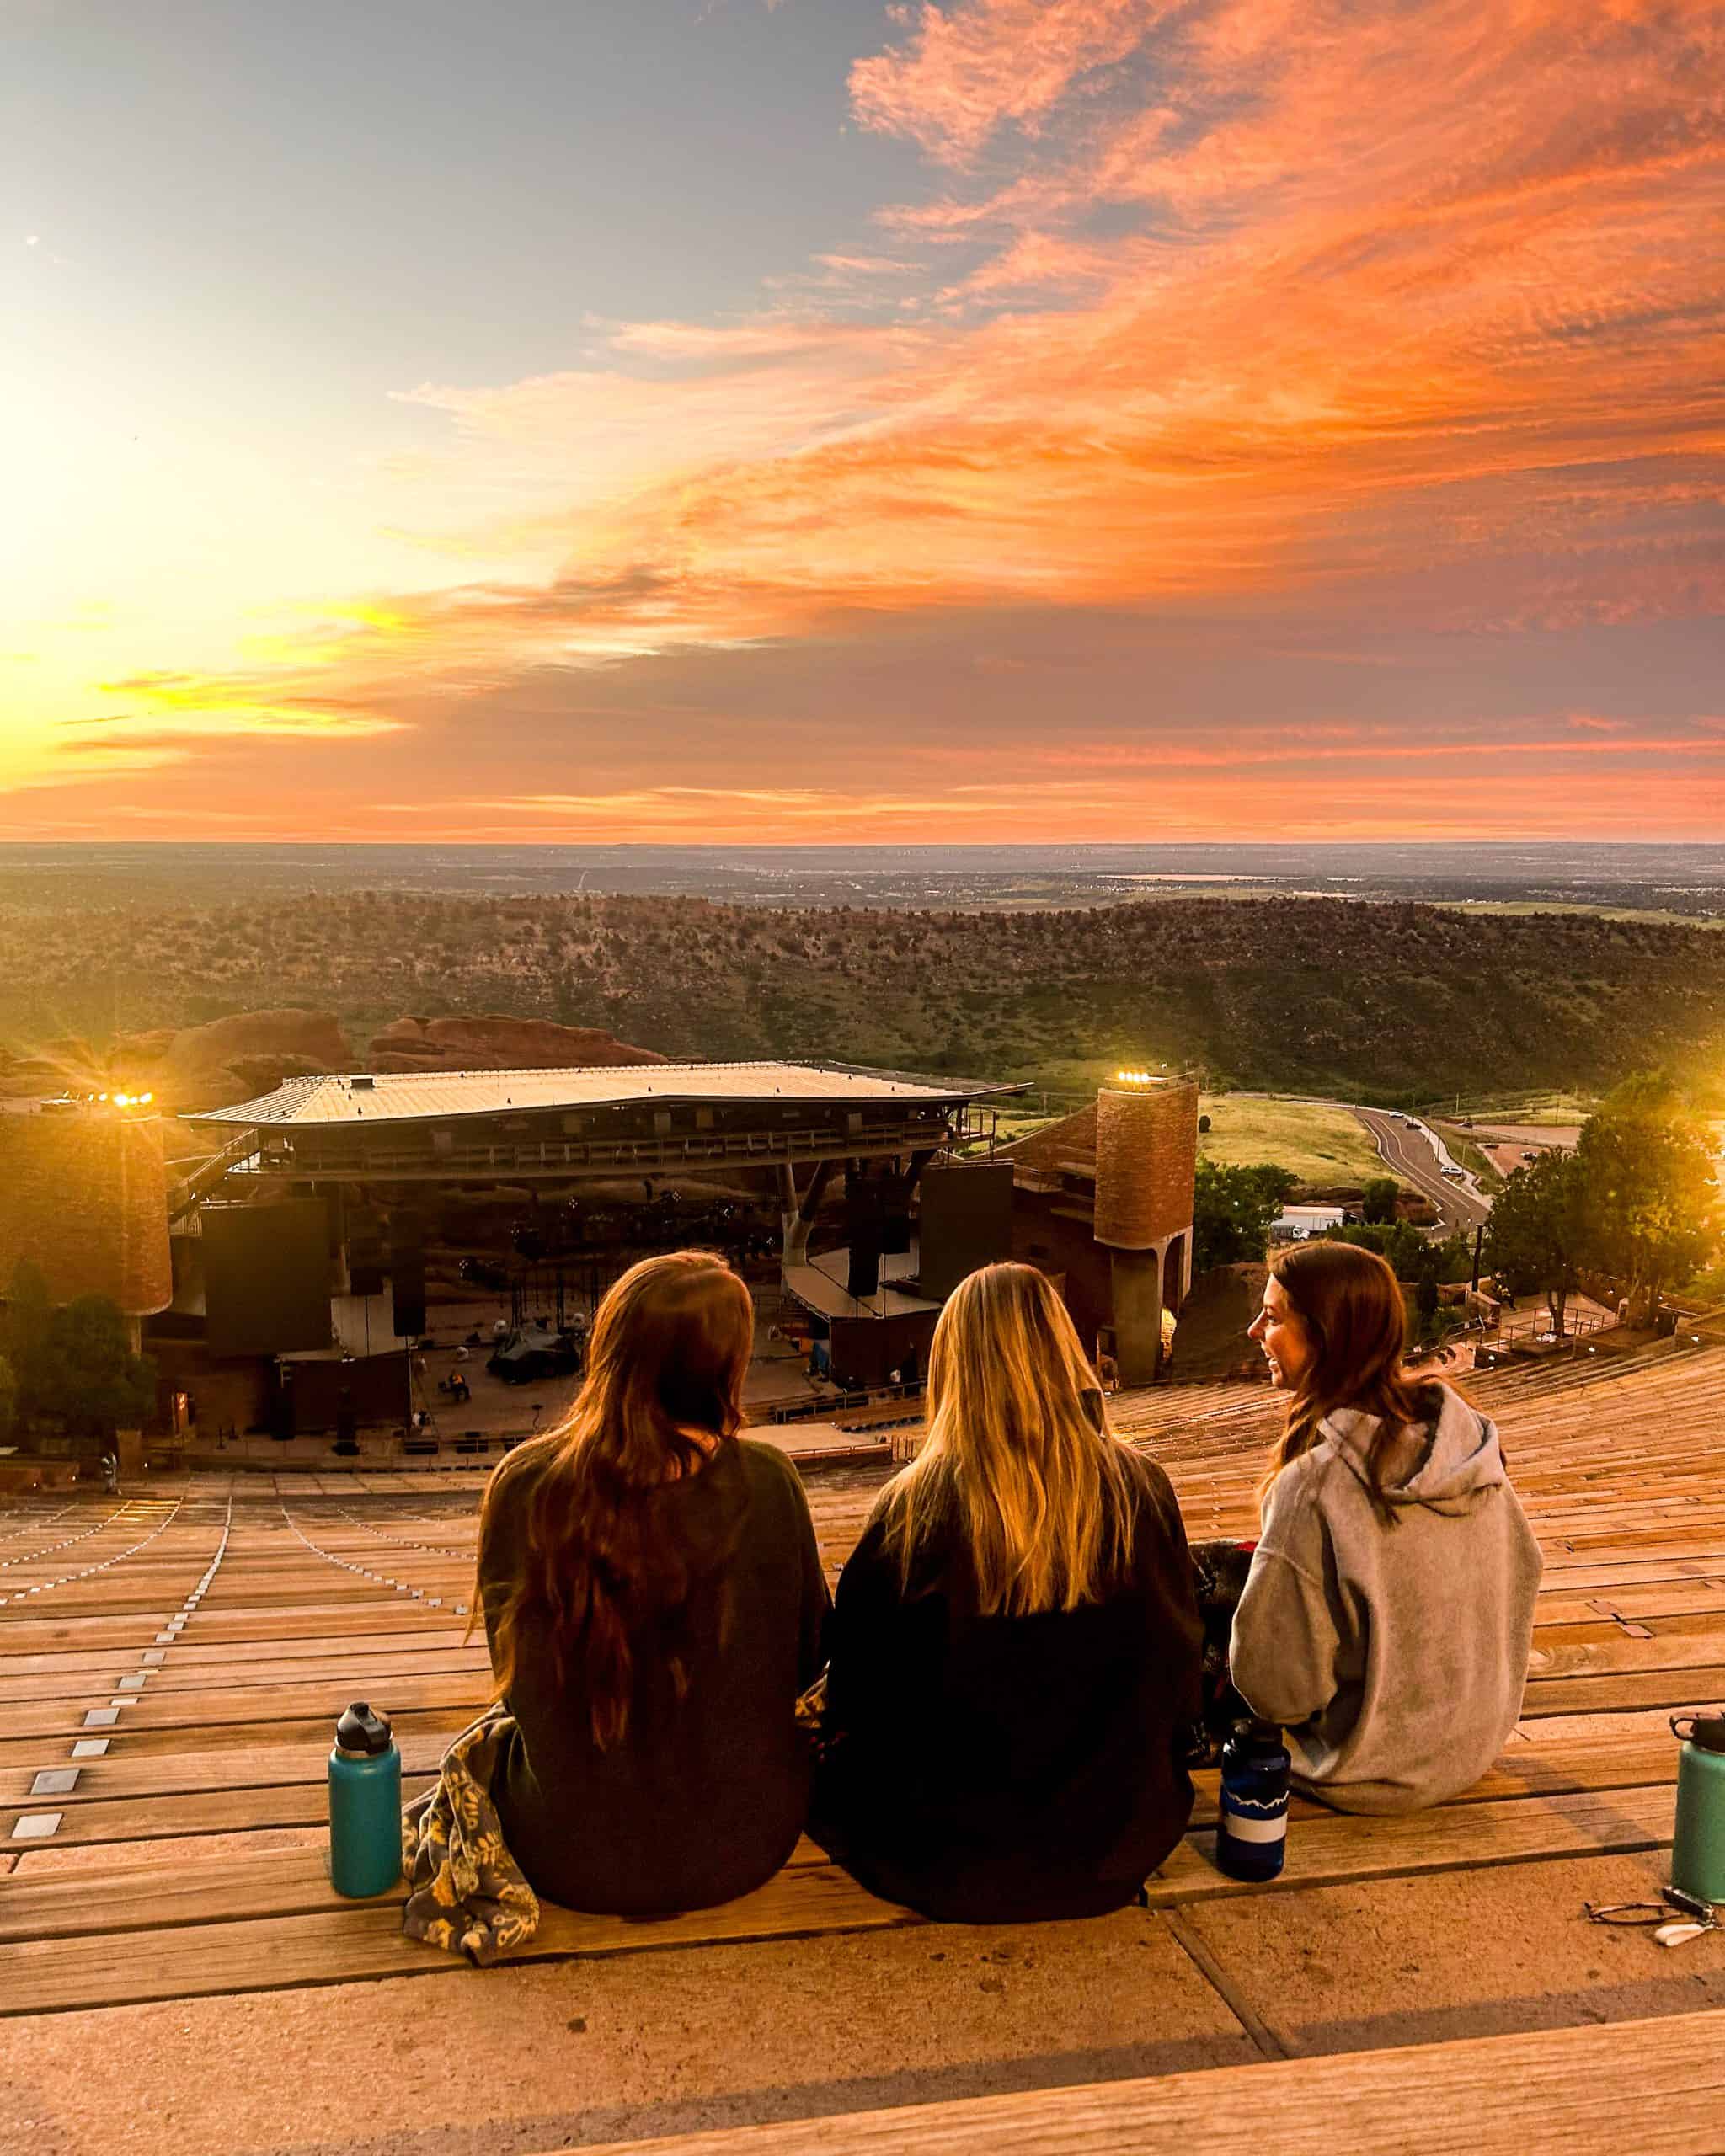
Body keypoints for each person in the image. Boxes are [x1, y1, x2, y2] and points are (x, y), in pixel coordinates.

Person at [812, 1262, 1203, 1923]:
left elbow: (855, 1692)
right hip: (1110, 1846)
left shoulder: (914, 1509)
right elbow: (1178, 1667)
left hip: (942, 1857)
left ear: (954, 1366)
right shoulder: (1143, 1487)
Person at [477, 1251, 830, 1916]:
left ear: (609, 1350)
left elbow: (513, 1681)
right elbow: (811, 1659)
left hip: (566, 1854)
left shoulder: (525, 1488)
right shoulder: (771, 1484)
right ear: (726, 1365)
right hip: (746, 1844)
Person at [1230, 1241, 1542, 1815]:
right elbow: (1528, 1568)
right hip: (1470, 1748)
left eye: (1272, 1318)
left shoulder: (1312, 1486)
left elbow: (1276, 1693)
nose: (1254, 1331)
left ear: (1324, 1335)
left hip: (1368, 1771)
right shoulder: (1468, 1447)